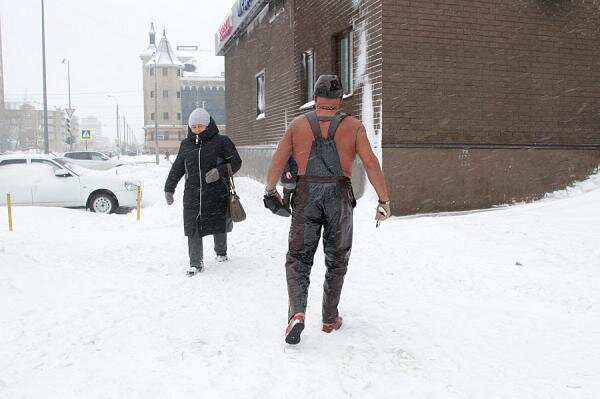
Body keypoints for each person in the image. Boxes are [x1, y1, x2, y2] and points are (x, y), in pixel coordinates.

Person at [265, 75, 391, 344]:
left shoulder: (298, 125)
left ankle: (297, 313)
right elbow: (370, 163)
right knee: (337, 258)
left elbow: (278, 159)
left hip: (306, 193)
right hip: (339, 195)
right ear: (340, 98)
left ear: (315, 97)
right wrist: (383, 201)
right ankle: (329, 318)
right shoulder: (353, 127)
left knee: (299, 258)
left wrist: (270, 189)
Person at [165, 108, 242, 276]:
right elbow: (177, 167)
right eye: (194, 127)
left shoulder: (222, 141)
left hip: (216, 192)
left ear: (208, 125)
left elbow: (236, 162)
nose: (197, 129)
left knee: (218, 223)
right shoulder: (186, 145)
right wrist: (169, 188)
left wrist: (220, 171)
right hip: (192, 194)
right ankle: (195, 263)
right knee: (192, 227)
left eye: (200, 126)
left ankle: (221, 253)